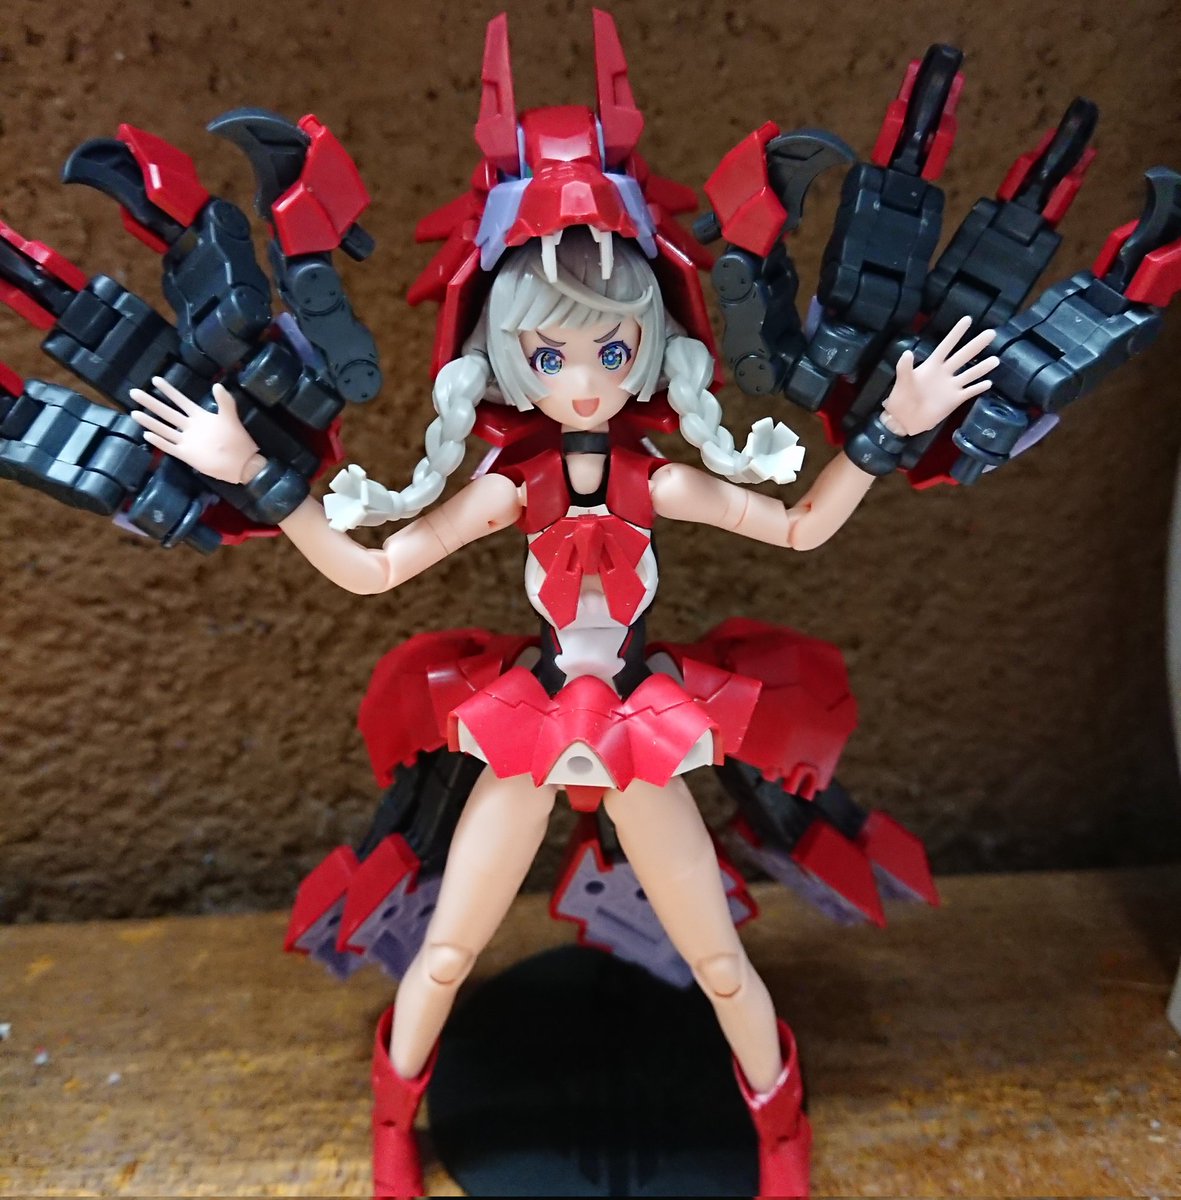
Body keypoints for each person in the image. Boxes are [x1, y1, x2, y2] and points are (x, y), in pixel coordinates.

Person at [129, 226, 996, 1199]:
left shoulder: (656, 481)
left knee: (717, 962)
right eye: (549, 357)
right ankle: (391, 1121)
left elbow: (799, 529)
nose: (583, 383)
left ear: (649, 348)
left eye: (611, 351)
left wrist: (890, 428)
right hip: (535, 723)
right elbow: (371, 571)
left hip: (635, 724)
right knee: (448, 951)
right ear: (507, 360)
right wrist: (251, 470)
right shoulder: (512, 488)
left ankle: (779, 1129)